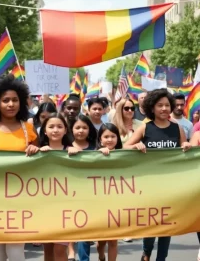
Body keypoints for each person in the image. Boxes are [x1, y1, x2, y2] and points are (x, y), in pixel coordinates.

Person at [0, 74, 39, 261]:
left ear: (21, 103)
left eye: (15, 100)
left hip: (21, 197)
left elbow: (41, 162)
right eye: (5, 100)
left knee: (16, 250)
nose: (10, 104)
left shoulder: (29, 129)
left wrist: (37, 149)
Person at [124, 88, 191, 261]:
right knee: (152, 223)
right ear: (151, 108)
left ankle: (161, 258)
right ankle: (146, 252)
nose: (164, 109)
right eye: (159, 105)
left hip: (171, 187)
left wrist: (187, 147)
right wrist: (136, 146)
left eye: (167, 105)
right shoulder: (146, 128)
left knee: (166, 225)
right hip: (150, 186)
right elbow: (124, 148)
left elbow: (186, 150)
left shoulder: (177, 129)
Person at [39, 113, 78, 261]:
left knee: (60, 249)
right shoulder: (38, 151)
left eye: (59, 126)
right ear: (44, 130)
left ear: (65, 130)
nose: (55, 130)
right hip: (44, 207)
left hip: (64, 208)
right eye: (51, 126)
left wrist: (76, 153)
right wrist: (34, 152)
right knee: (48, 250)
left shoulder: (72, 151)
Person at [70, 115, 97, 261]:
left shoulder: (96, 147)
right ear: (71, 129)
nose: (81, 131)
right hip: (71, 194)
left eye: (84, 128)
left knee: (86, 231)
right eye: (77, 127)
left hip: (91, 195)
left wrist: (104, 152)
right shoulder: (65, 146)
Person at [95, 123, 122, 261]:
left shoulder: (124, 155)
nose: (109, 140)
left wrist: (138, 146)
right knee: (101, 241)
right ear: (100, 139)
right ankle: (100, 254)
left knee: (113, 240)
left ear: (118, 138)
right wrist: (98, 155)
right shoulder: (94, 155)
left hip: (116, 204)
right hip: (99, 204)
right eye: (106, 137)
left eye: (113, 136)